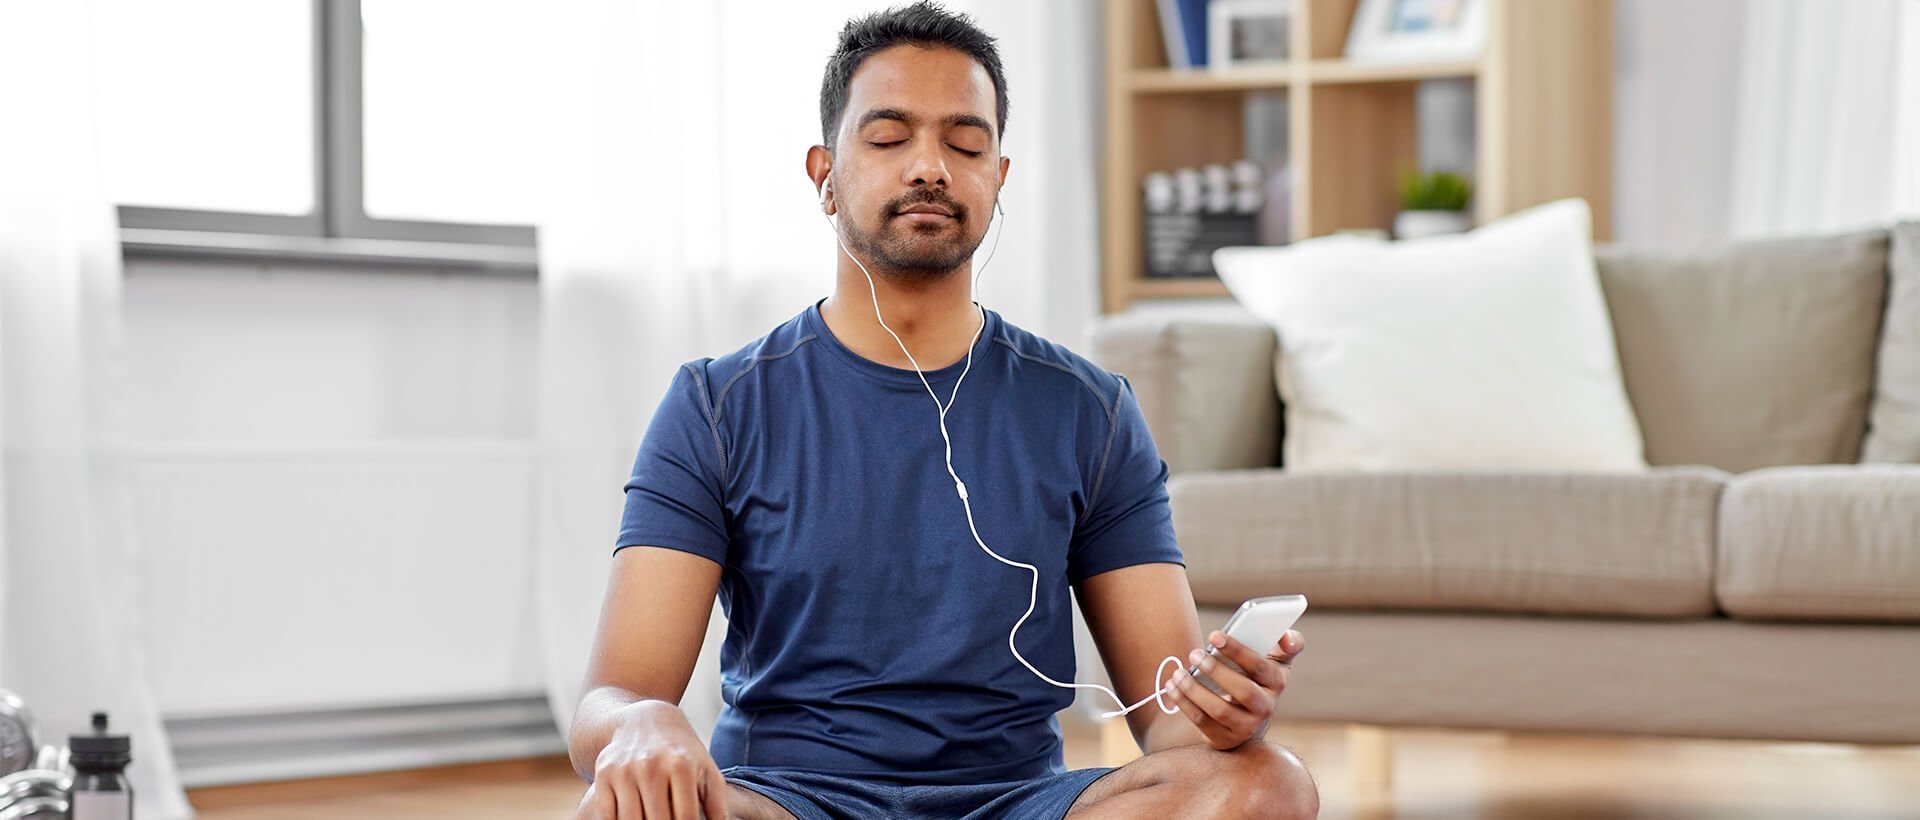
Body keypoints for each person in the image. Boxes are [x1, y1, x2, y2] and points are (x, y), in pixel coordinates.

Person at [569, 3, 1317, 818]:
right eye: (889, 138)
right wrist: (641, 721)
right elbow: (611, 695)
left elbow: (1169, 728)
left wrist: (1223, 711)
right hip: (787, 802)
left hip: (1015, 804)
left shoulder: (1088, 411)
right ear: (824, 175)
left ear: (998, 177)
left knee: (1267, 782)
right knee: (618, 811)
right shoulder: (717, 404)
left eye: (965, 144)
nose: (929, 166)